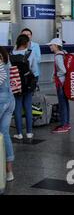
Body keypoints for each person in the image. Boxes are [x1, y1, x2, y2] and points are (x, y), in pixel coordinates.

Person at [11, 34, 38, 140]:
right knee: (27, 107)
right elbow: (34, 69)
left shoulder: (11, 54)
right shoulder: (29, 54)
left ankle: (19, 133)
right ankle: (29, 132)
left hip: (16, 84)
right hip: (27, 84)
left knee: (17, 108)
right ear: (26, 43)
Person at [47, 38, 71, 133]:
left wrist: (56, 76)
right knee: (65, 103)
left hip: (61, 83)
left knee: (62, 104)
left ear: (56, 46)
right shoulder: (64, 53)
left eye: (51, 45)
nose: (50, 47)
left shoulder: (58, 56)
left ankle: (64, 125)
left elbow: (63, 70)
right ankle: (66, 123)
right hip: (65, 82)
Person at [0, 47, 15, 182]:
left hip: (1, 100)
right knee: (4, 133)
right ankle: (9, 172)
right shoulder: (6, 60)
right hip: (10, 100)